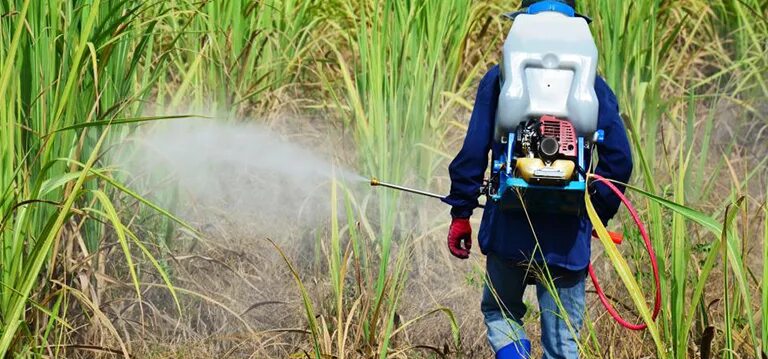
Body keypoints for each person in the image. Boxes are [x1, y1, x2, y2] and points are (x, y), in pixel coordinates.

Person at [442, 1, 633, 358]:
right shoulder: (593, 85)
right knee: (563, 346)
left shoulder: (499, 79)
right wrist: (595, 211)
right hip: (567, 240)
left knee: (501, 311)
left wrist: (460, 214)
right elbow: (619, 161)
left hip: (508, 231)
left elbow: (472, 152)